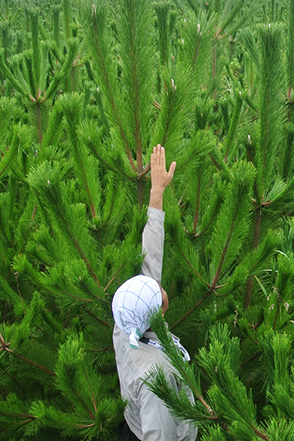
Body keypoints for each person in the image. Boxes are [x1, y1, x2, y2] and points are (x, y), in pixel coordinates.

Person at [111, 145, 198, 441]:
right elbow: (160, 435)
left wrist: (157, 192)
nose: (159, 286)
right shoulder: (155, 377)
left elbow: (150, 259)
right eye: (157, 294)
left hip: (133, 420)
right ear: (158, 313)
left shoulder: (126, 320)